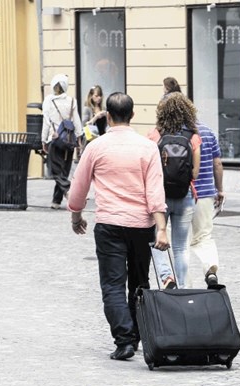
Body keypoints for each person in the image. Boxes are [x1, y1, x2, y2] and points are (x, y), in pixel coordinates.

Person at [67, 92, 170, 361]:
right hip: (141, 225)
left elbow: (79, 187)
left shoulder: (96, 147)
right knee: (139, 281)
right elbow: (155, 191)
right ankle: (137, 334)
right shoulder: (147, 147)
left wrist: (76, 216)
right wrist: (161, 228)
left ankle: (124, 341)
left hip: (109, 223)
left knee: (112, 285)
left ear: (108, 116)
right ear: (133, 115)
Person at [147, 92, 201, 289]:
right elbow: (195, 173)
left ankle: (166, 277)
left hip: (160, 197)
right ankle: (182, 286)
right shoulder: (193, 137)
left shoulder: (154, 136)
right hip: (184, 195)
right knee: (180, 246)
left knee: (157, 239)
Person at [41, 73, 84, 209]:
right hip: (69, 140)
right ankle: (56, 201)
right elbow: (76, 120)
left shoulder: (49, 100)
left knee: (56, 172)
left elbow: (46, 122)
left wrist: (43, 140)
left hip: (56, 139)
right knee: (64, 171)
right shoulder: (71, 100)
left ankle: (69, 190)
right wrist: (79, 138)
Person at [191, 120, 224, 288]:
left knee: (180, 242)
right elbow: (217, 163)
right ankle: (210, 270)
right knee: (204, 236)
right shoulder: (207, 131)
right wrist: (220, 190)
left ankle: (181, 283)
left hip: (179, 194)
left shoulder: (170, 130)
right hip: (204, 193)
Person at [81, 85, 108, 158]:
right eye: (96, 96)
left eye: (100, 95)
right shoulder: (87, 109)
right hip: (91, 140)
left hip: (102, 139)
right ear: (91, 96)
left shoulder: (103, 108)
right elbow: (84, 125)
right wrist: (95, 117)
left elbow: (105, 125)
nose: (99, 98)